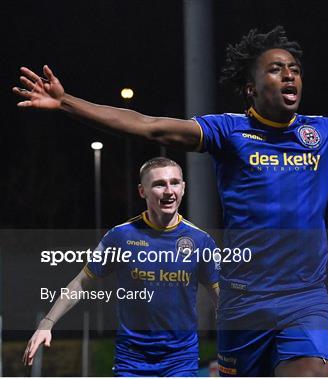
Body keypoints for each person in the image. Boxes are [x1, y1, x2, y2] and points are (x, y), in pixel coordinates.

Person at [14, 26, 328, 376]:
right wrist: (68, 103)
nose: (290, 76)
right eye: (276, 70)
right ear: (251, 87)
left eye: (295, 69)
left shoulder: (323, 133)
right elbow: (146, 124)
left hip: (305, 299)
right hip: (243, 306)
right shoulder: (229, 133)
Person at [22, 157, 220, 377]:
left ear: (183, 188)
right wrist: (46, 323)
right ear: (142, 191)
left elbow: (220, 297)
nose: (168, 191)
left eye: (174, 182)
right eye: (159, 184)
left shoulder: (201, 241)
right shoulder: (121, 236)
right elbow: (81, 283)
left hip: (180, 360)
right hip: (131, 359)